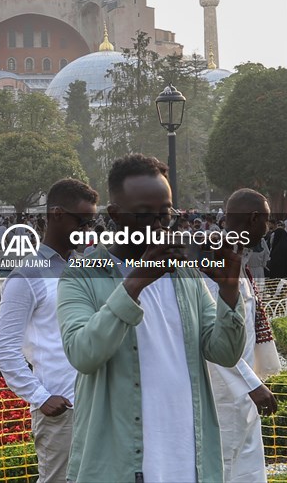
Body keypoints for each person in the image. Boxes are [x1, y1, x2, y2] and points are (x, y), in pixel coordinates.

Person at [57, 154, 246, 483]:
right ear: (115, 215)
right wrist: (135, 283)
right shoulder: (82, 274)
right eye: (145, 216)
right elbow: (83, 353)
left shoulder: (185, 275)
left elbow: (225, 352)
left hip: (189, 459)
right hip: (119, 462)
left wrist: (229, 291)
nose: (159, 226)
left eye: (166, 214)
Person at [0, 178, 98, 483]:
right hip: (62, 409)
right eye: (82, 221)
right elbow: (4, 347)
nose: (87, 229)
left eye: (91, 222)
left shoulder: (86, 267)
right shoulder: (26, 275)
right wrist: (40, 397)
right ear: (56, 214)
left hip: (98, 403)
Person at [205, 189, 280, 483]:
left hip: (244, 390)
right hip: (221, 391)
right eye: (267, 220)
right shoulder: (214, 260)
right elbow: (212, 333)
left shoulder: (238, 256)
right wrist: (251, 384)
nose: (268, 227)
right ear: (253, 218)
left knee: (247, 469)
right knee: (223, 466)